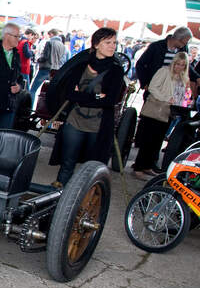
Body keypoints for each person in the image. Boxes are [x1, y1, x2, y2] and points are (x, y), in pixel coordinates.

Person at [47, 27, 125, 188]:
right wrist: (97, 97)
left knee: (92, 168)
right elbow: (70, 94)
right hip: (75, 121)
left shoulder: (116, 70)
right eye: (108, 42)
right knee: (67, 163)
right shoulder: (80, 66)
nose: (113, 46)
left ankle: (84, 198)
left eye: (114, 43)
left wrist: (82, 96)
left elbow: (110, 100)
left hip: (98, 126)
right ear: (96, 44)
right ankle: (56, 196)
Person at [131, 52, 190, 180]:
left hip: (168, 113)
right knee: (147, 141)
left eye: (182, 65)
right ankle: (138, 168)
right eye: (178, 64)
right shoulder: (164, 71)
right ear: (173, 63)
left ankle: (147, 166)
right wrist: (166, 98)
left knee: (157, 143)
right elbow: (152, 87)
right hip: (155, 111)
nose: (179, 67)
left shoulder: (182, 78)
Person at [135, 27, 196, 96]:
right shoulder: (156, 46)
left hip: (172, 89)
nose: (186, 44)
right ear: (178, 38)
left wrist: (196, 77)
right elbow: (140, 64)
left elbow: (186, 65)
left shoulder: (183, 48)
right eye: (185, 41)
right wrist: (144, 83)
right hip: (155, 86)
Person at [29, 28, 66, 101]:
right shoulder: (62, 45)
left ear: (51, 34)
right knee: (48, 92)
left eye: (49, 35)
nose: (49, 37)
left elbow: (45, 57)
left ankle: (29, 106)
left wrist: (38, 60)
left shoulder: (49, 42)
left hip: (45, 68)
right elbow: (62, 59)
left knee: (33, 90)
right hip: (55, 70)